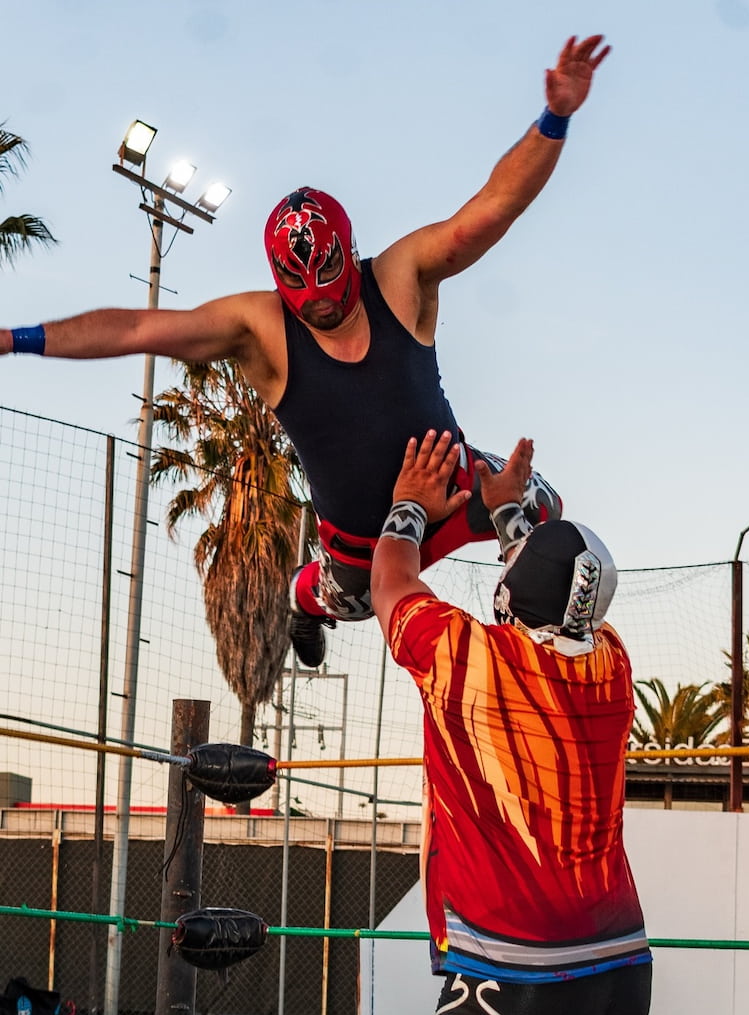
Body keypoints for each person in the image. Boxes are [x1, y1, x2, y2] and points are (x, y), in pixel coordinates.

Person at [1, 35, 610, 668]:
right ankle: (303, 599)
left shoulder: (400, 278)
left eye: (332, 281)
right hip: (361, 542)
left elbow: (494, 207)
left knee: (546, 510)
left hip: (452, 480)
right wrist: (16, 340)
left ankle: (536, 660)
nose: (321, 304)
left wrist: (555, 116)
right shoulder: (257, 327)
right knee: (351, 603)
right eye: (301, 291)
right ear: (277, 279)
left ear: (351, 253)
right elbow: (136, 330)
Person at [370, 429, 652, 1015]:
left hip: (515, 969)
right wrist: (506, 514)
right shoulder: (610, 663)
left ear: (512, 593)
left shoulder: (467, 656)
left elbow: (388, 583)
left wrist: (408, 507)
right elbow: (543, 593)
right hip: (618, 970)